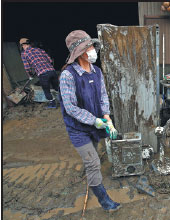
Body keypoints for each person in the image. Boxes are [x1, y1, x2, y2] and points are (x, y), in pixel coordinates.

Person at [59, 30, 121, 212]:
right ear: (80, 52)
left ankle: (90, 173)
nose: (94, 49)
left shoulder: (97, 71)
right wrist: (95, 121)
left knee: (92, 156)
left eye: (93, 46)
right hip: (78, 129)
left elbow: (103, 96)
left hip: (95, 125)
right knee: (93, 163)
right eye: (90, 47)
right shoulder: (68, 75)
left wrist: (108, 119)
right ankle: (106, 203)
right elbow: (70, 108)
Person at [19, 38, 58, 108]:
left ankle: (53, 104)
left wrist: (30, 75)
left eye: (22, 46)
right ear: (29, 44)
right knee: (57, 88)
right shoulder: (39, 50)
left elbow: (27, 67)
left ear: (23, 45)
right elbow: (50, 60)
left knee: (46, 91)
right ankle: (65, 100)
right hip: (52, 71)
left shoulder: (24, 54)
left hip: (43, 74)